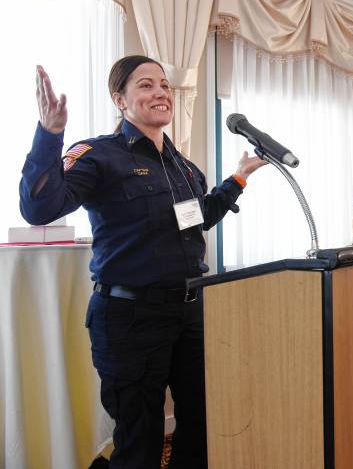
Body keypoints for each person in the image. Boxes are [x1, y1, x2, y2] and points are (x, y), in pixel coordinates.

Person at [19, 56, 268, 469]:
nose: (160, 93)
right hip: (128, 318)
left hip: (189, 314)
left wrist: (238, 178)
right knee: (140, 438)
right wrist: (50, 135)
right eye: (146, 85)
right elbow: (39, 207)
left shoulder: (184, 169)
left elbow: (196, 217)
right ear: (121, 99)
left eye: (165, 86)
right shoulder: (99, 155)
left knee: (200, 424)